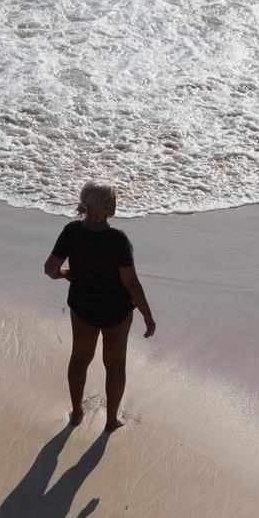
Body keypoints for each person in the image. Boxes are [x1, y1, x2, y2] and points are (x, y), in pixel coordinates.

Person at [43, 182, 156, 432]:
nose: (115, 203)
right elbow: (131, 283)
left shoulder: (71, 232)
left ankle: (76, 414)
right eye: (113, 200)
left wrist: (65, 274)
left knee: (79, 359)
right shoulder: (118, 240)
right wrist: (147, 315)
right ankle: (111, 420)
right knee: (115, 365)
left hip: (83, 308)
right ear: (107, 208)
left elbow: (50, 269)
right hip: (116, 312)